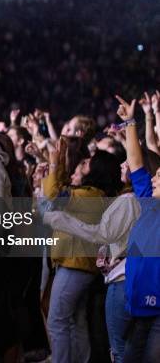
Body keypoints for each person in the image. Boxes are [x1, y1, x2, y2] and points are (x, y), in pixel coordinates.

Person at [44, 159, 140, 363]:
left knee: (57, 321)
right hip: (84, 266)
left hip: (77, 265)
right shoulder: (108, 196)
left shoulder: (92, 194)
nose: (122, 164)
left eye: (87, 162)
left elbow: (52, 195)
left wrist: (55, 164)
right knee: (76, 321)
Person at [115, 95, 160, 362]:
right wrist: (130, 122)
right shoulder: (148, 202)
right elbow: (136, 163)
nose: (154, 178)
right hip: (138, 307)